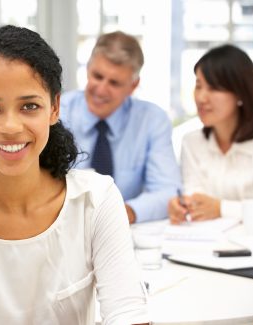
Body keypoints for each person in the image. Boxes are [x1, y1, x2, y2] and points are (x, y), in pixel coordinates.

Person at [0, 25, 149, 325]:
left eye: (29, 106)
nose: (11, 127)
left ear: (54, 108)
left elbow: (127, 314)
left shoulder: (96, 200)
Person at [60, 31, 180, 224]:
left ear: (133, 86)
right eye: (97, 76)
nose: (101, 89)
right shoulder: (58, 112)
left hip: (124, 231)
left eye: (114, 83)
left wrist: (126, 212)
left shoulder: (151, 120)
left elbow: (168, 191)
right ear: (88, 69)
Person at [168, 44, 253, 224]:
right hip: (206, 246)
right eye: (199, 86)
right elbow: (196, 200)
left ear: (240, 93)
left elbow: (211, 207)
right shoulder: (192, 142)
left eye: (213, 88)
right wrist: (183, 206)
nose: (201, 98)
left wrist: (221, 208)